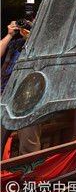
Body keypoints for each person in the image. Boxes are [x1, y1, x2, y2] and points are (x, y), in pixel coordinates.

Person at [1, 19, 41, 156]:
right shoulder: (15, 44)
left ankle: (29, 170)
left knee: (29, 147)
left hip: (28, 101)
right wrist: (9, 35)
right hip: (4, 96)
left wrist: (32, 40)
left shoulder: (45, 45)